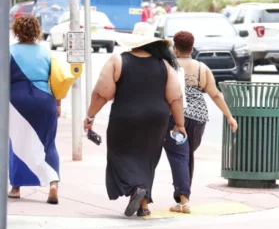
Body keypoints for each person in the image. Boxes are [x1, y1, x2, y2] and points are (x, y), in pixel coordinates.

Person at [83, 22, 186, 217]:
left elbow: (101, 93)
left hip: (125, 117)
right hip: (156, 120)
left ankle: (135, 188)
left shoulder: (118, 61)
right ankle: (144, 203)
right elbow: (176, 97)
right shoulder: (164, 65)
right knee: (147, 159)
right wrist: (180, 124)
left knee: (118, 153)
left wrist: (90, 115)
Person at [163, 31, 238, 213]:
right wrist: (229, 116)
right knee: (187, 155)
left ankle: (183, 199)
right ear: (192, 47)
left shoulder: (168, 66)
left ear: (175, 47)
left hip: (174, 116)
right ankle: (183, 197)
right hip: (198, 118)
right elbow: (215, 94)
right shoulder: (201, 68)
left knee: (179, 156)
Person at [8, 16, 61, 204]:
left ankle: (16, 188)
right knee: (48, 143)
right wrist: (58, 105)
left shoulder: (9, 51)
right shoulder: (46, 53)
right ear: (37, 30)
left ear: (16, 31)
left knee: (17, 142)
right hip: (44, 99)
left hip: (16, 100)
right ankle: (53, 183)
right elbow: (56, 80)